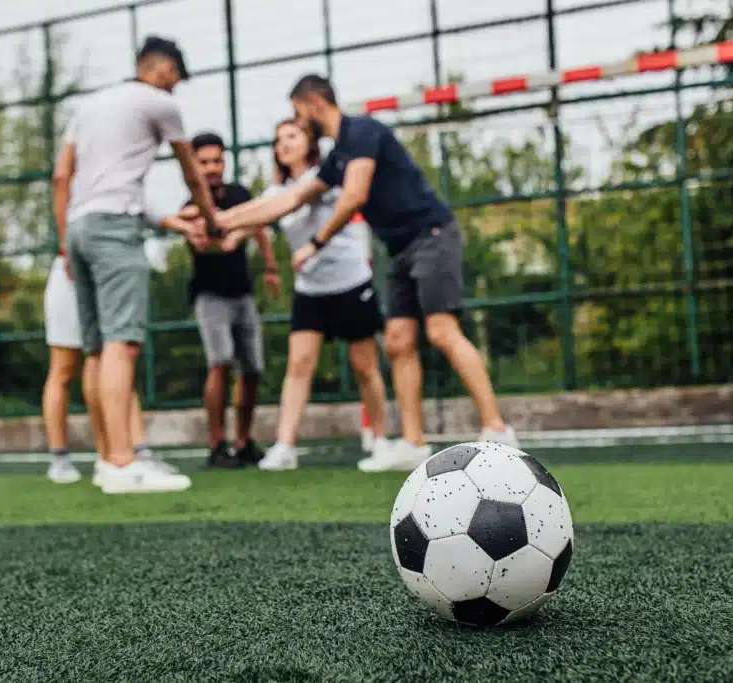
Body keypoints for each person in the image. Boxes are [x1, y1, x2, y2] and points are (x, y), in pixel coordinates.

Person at [215, 74, 519, 472]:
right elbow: (291, 199)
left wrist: (316, 243)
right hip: (399, 249)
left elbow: (355, 195)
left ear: (314, 103)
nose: (299, 121)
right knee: (397, 341)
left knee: (441, 331)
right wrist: (223, 220)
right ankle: (413, 442)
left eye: (298, 113)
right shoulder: (338, 155)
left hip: (431, 236)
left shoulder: (361, 132)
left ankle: (497, 428)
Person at [52, 36, 216, 494]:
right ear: (163, 70)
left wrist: (64, 243)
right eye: (175, 79)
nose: (175, 88)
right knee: (121, 345)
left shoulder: (89, 107)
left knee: (96, 351)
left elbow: (63, 176)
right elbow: (191, 172)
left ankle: (108, 460)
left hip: (79, 229)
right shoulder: (158, 103)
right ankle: (125, 463)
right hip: (114, 231)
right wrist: (211, 219)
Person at [217, 119, 392, 470]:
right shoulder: (277, 191)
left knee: (364, 367)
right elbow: (261, 212)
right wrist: (227, 233)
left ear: (310, 142)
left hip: (350, 281)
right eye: (278, 139)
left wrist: (222, 220)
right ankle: (285, 446)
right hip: (310, 289)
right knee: (298, 366)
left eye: (292, 136)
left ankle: (381, 440)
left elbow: (282, 206)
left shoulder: (323, 178)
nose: (283, 144)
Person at [176, 132, 280, 469]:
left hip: (242, 292)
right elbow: (204, 244)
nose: (212, 168)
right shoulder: (189, 208)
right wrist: (230, 235)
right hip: (210, 295)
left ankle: (244, 441)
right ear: (194, 166)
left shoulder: (239, 195)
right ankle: (217, 444)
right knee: (220, 361)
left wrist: (270, 267)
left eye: (217, 161)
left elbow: (259, 226)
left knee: (252, 368)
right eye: (204, 162)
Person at [41, 247, 173, 486]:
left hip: (105, 266)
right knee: (65, 367)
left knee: (116, 357)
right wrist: (69, 252)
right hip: (74, 270)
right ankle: (61, 457)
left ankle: (129, 454)